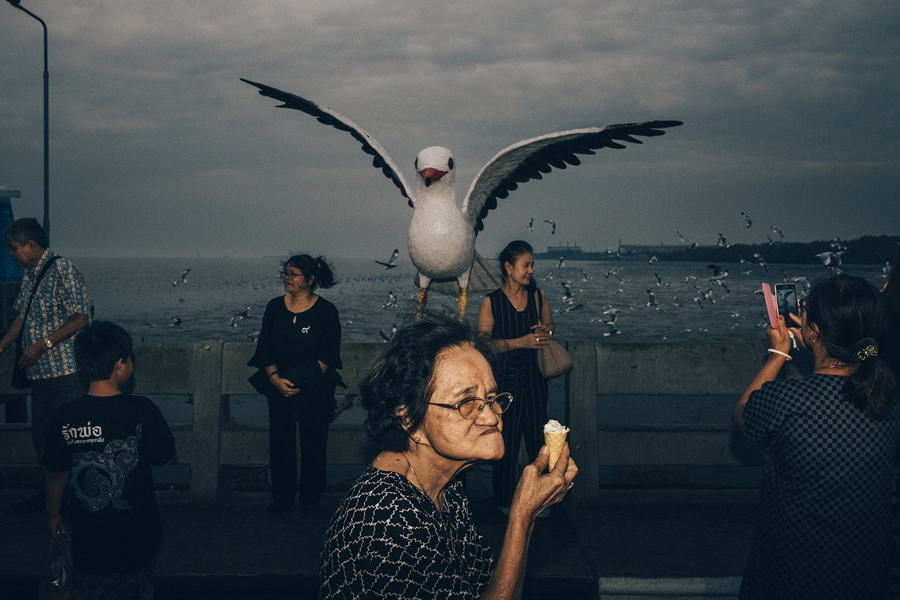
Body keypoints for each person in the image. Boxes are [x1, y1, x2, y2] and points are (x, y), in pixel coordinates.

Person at [319, 317, 577, 600]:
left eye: (491, 398)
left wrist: (526, 515)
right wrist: (522, 517)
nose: (492, 416)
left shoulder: (446, 488)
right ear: (408, 418)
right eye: (466, 403)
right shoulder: (388, 522)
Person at [732, 274, 899, 599]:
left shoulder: (788, 400)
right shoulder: (887, 399)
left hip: (794, 573)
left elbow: (742, 415)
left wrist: (779, 353)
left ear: (815, 331)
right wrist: (818, 337)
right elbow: (862, 358)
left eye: (806, 311)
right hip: (864, 574)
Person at [43, 321, 175, 599]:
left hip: (87, 540)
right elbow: (164, 459)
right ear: (121, 364)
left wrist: (54, 515)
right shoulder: (142, 410)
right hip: (139, 536)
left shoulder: (65, 417)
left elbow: (56, 474)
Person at [0, 217, 90, 513]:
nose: (11, 254)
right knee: (42, 439)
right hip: (39, 376)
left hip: (65, 375)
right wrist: (3, 344)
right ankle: (49, 497)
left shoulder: (63, 269)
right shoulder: (31, 274)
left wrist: (43, 344)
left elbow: (80, 317)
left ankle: (74, 502)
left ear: (31, 244)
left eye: (13, 248)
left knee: (69, 440)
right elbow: (20, 318)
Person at [248, 254, 342, 514]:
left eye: (293, 273)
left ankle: (310, 500)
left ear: (310, 280)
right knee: (280, 443)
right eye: (285, 272)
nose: (286, 278)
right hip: (277, 388)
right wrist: (275, 379)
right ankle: (282, 499)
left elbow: (328, 355)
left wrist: (300, 379)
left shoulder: (325, 311)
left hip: (314, 389)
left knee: (314, 444)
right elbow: (264, 347)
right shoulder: (274, 307)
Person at [476, 241, 554, 512]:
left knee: (538, 444)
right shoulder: (491, 302)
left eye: (532, 265)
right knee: (504, 443)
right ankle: (505, 503)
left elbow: (550, 326)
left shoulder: (538, 296)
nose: (531, 270)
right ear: (509, 268)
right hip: (504, 383)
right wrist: (521, 341)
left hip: (535, 381)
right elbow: (484, 345)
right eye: (526, 265)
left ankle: (539, 502)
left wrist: (546, 331)